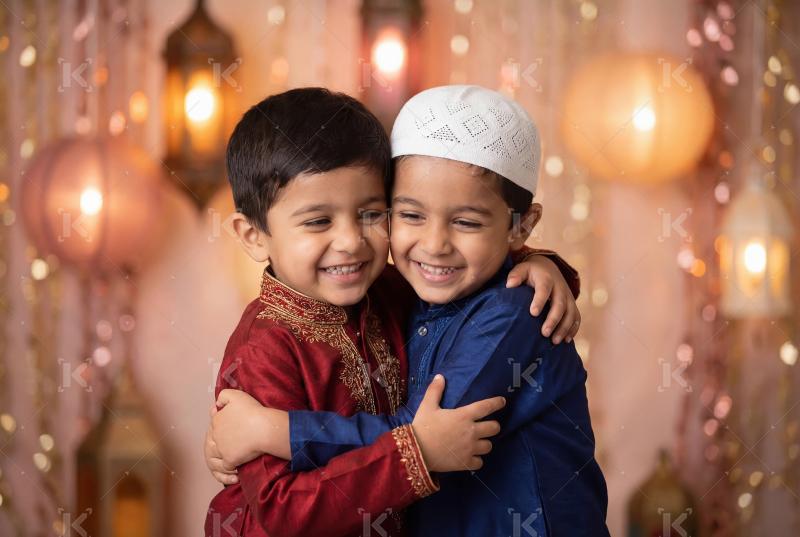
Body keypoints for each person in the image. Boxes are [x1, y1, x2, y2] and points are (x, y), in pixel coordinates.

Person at [204, 87, 584, 537]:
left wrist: (538, 263)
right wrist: (417, 453)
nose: (350, 241)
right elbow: (283, 511)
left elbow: (472, 279)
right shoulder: (264, 349)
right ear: (252, 235)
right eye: (318, 221)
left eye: (370, 214)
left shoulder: (390, 290)